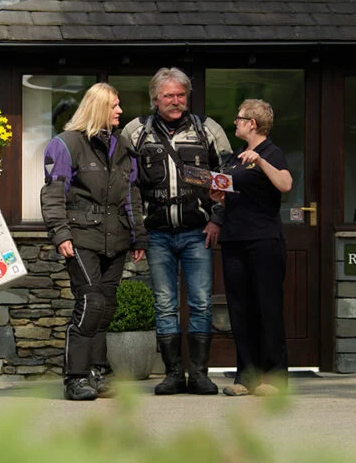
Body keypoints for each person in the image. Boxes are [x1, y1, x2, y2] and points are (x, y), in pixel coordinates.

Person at [122, 68, 232, 396]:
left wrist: (217, 219)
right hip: (157, 234)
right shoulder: (135, 131)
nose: (175, 101)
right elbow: (127, 185)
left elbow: (227, 177)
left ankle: (199, 374)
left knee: (200, 303)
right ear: (155, 98)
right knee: (164, 303)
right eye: (168, 96)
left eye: (180, 95)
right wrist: (136, 231)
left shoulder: (207, 129)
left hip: (199, 231)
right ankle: (172, 374)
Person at [40, 82, 147, 401]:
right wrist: (60, 233)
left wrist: (138, 235)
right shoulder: (65, 144)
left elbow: (132, 194)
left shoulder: (123, 146)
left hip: (116, 237)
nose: (120, 111)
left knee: (107, 305)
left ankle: (98, 372)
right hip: (81, 235)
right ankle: (75, 377)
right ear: (99, 107)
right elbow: (53, 194)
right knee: (91, 302)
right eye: (115, 106)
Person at [209, 99, 292, 397]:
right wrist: (218, 195)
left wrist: (259, 161)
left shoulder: (271, 152)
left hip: (263, 241)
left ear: (252, 124)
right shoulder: (234, 157)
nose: (236, 123)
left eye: (239, 119)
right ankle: (246, 376)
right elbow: (234, 193)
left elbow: (285, 184)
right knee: (240, 309)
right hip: (234, 239)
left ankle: (274, 376)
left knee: (267, 307)